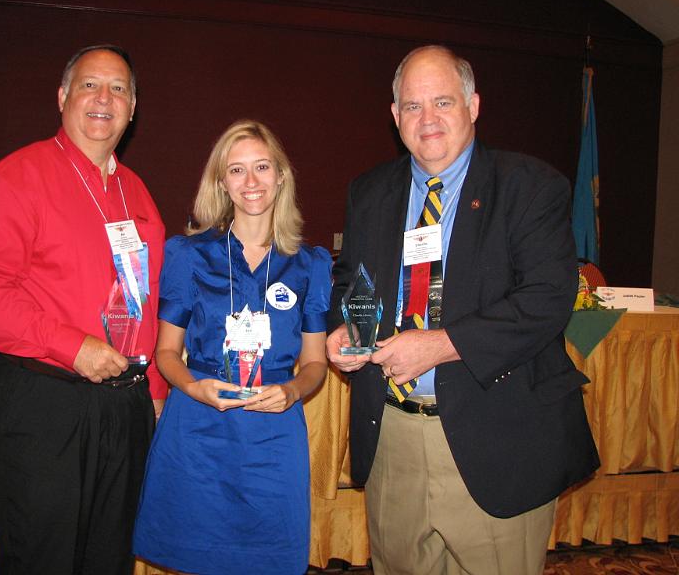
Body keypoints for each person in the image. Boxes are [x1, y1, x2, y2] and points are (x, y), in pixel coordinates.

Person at [326, 45, 600, 574]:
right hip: (395, 440)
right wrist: (345, 325)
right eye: (412, 106)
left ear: (474, 105)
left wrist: (440, 345)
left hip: (497, 437)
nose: (427, 119)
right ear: (394, 116)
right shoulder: (369, 193)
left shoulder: (530, 187)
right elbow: (349, 281)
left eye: (443, 102)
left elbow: (546, 298)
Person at [0, 44, 166, 575]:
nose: (103, 98)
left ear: (133, 108)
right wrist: (72, 346)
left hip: (125, 406)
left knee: (109, 559)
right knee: (40, 559)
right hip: (44, 402)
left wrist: (155, 394)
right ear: (63, 96)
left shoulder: (137, 194)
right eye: (90, 84)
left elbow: (148, 302)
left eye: (118, 89)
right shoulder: (17, 177)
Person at [132, 120, 330, 574]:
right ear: (221, 181)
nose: (251, 182)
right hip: (200, 425)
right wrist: (194, 387)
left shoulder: (309, 264)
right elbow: (166, 353)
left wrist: (294, 391)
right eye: (236, 170)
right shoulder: (187, 254)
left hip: (273, 429)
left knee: (269, 559)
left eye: (262, 167)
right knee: (195, 557)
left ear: (281, 175)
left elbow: (315, 362)